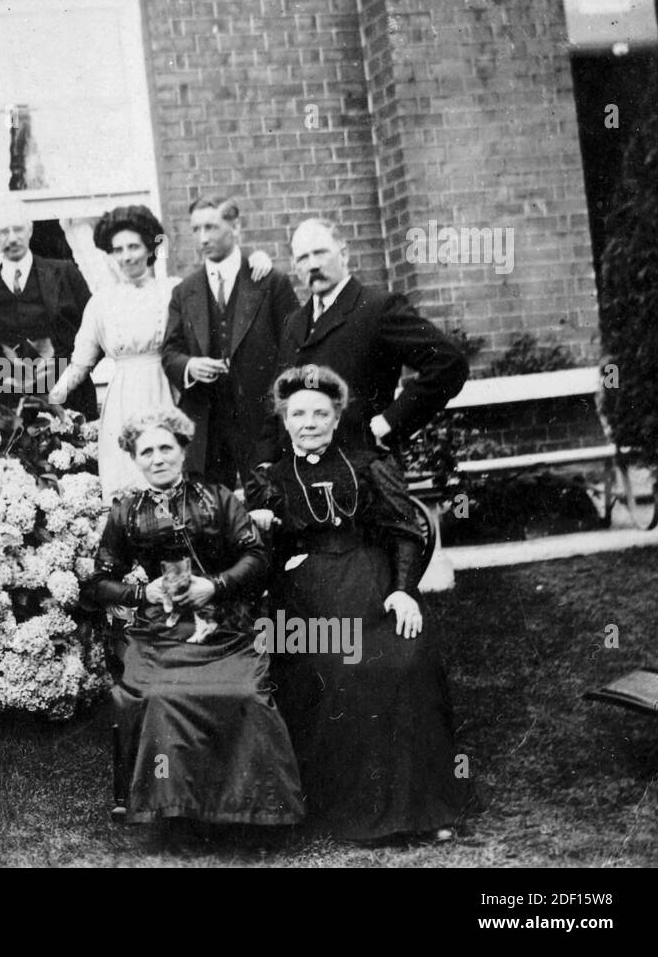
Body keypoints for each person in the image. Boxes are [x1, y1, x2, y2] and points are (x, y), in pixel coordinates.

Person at [249, 366, 468, 842]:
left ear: (335, 417)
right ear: (285, 420)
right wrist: (268, 533)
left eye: (319, 413)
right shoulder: (270, 480)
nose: (309, 422)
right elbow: (255, 558)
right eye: (298, 413)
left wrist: (403, 590)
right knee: (340, 668)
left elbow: (404, 531)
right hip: (305, 597)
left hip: (371, 583)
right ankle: (348, 807)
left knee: (404, 662)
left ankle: (421, 811)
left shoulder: (367, 464)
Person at [81, 408, 303, 829]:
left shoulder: (217, 498)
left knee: (245, 694)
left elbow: (256, 556)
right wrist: (142, 591)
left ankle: (250, 807)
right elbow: (96, 584)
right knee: (155, 696)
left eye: (167, 447)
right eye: (146, 451)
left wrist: (215, 586)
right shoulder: (125, 512)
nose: (158, 458)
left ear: (183, 450)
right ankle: (174, 806)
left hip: (226, 624)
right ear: (134, 458)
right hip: (162, 630)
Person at [251, 217, 468, 470]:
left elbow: (448, 363)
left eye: (320, 253)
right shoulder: (295, 323)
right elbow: (278, 398)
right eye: (303, 258)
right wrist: (266, 462)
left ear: (343, 254)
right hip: (301, 479)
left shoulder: (377, 308)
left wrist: (390, 422)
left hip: (363, 472)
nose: (312, 265)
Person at [161, 195, 299, 490]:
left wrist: (278, 404)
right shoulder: (184, 292)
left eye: (211, 227)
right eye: (196, 229)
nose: (203, 238)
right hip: (207, 423)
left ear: (235, 227)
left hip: (262, 420)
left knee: (269, 503)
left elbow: (294, 348)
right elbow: (170, 352)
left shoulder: (270, 281)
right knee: (213, 513)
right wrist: (191, 366)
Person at [47, 205, 179, 498]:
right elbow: (80, 363)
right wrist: (53, 395)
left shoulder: (172, 292)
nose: (127, 256)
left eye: (133, 246)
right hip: (124, 401)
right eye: (118, 249)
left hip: (167, 394)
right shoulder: (102, 303)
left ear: (149, 247)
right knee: (130, 487)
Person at [0, 197, 98, 419]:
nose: (12, 238)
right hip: (8, 410)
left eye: (18, 229)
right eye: (4, 232)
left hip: (69, 402)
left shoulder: (65, 273)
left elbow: (96, 334)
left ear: (30, 229)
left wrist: (70, 379)